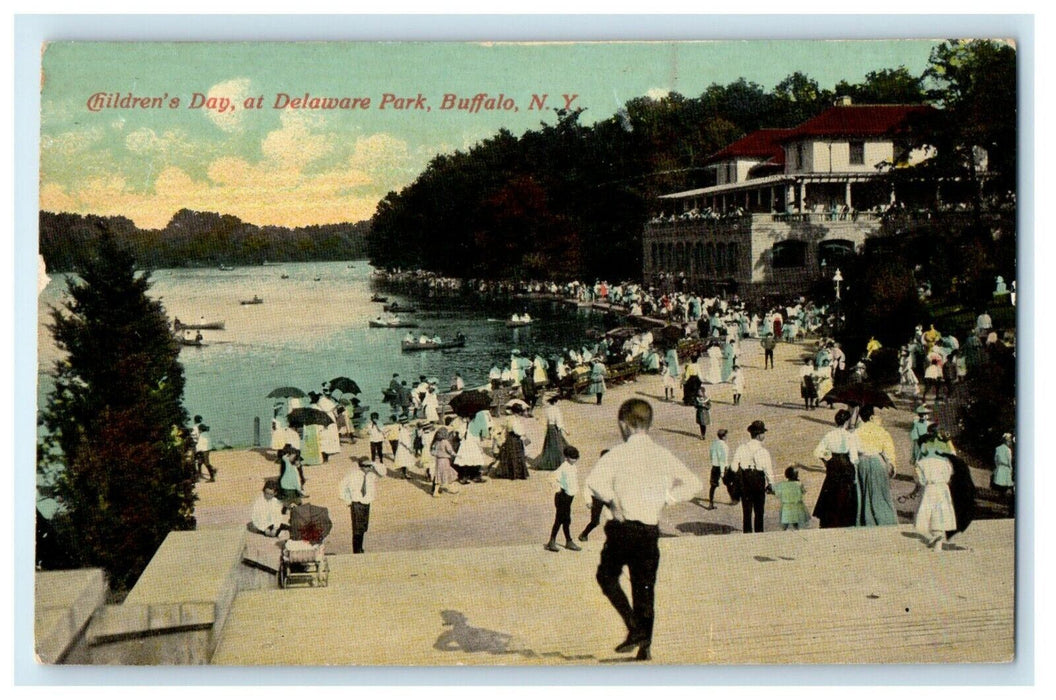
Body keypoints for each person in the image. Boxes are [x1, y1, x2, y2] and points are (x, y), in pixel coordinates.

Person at [584, 399, 702, 661]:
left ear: (623, 425)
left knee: (607, 576)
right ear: (648, 424)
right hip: (649, 531)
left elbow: (593, 483)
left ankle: (634, 627)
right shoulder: (662, 454)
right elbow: (694, 483)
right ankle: (644, 647)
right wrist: (668, 498)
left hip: (622, 529)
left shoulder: (617, 454)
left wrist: (612, 501)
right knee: (645, 588)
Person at [812, 409, 861, 528]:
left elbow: (817, 452)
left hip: (833, 464)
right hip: (845, 464)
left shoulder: (829, 435)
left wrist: (826, 460)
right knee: (845, 492)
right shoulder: (849, 436)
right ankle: (844, 519)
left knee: (831, 489)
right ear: (846, 422)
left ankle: (829, 519)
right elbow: (854, 457)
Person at [855, 405, 898, 527]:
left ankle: (866, 520)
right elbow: (889, 451)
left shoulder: (857, 432)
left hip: (862, 461)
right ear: (872, 416)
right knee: (881, 492)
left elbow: (853, 451)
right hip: (877, 461)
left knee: (864, 492)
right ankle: (885, 519)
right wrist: (891, 465)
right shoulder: (881, 431)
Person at [732, 420, 775, 533]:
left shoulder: (741, 448)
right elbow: (768, 470)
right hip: (758, 479)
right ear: (760, 435)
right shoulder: (763, 451)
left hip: (745, 479)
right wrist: (771, 483)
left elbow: (733, 467)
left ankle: (747, 533)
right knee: (759, 510)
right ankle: (759, 534)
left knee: (747, 510)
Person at [338, 457, 387, 553]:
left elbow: (383, 472)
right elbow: (342, 486)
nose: (369, 468)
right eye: (367, 466)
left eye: (370, 466)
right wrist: (347, 500)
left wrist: (373, 463)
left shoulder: (372, 474)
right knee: (357, 529)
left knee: (363, 528)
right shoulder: (353, 474)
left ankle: (360, 547)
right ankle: (356, 550)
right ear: (361, 467)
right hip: (356, 503)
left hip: (366, 502)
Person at [914, 452, 956, 550]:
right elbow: (949, 476)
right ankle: (938, 542)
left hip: (930, 488)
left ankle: (935, 536)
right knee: (941, 513)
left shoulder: (921, 462)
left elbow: (921, 480)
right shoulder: (945, 462)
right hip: (943, 488)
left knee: (929, 513)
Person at [545, 446, 583, 552]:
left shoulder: (573, 467)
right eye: (572, 458)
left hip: (569, 497)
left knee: (566, 520)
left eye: (576, 458)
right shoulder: (563, 467)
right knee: (560, 519)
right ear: (566, 457)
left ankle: (567, 541)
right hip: (562, 497)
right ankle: (553, 541)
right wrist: (558, 488)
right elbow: (551, 477)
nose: (574, 460)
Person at [577, 450, 610, 542]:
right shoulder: (597, 471)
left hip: (609, 498)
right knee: (595, 522)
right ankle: (584, 534)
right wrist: (588, 500)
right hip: (597, 498)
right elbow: (587, 485)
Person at [533, 395, 569, 471]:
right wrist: (565, 430)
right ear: (555, 402)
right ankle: (558, 462)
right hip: (555, 428)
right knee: (558, 445)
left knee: (549, 445)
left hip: (549, 428)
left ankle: (549, 462)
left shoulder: (547, 410)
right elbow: (559, 423)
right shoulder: (556, 410)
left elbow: (546, 421)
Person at [494, 405, 530, 480]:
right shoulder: (516, 420)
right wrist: (524, 435)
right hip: (515, 438)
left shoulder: (508, 418)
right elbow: (517, 430)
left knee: (510, 455)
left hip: (509, 438)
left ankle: (509, 472)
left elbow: (504, 428)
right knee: (517, 454)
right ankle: (517, 473)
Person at [430, 426, 459, 496]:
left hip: (438, 460)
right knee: (449, 475)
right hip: (445, 460)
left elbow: (432, 451)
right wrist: (456, 455)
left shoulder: (436, 442)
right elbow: (450, 451)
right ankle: (452, 489)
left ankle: (435, 492)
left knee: (438, 476)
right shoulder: (445, 442)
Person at [992, 433, 1015, 516]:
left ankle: (1000, 502)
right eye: (1009, 441)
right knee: (1007, 487)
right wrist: (1011, 469)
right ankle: (1003, 505)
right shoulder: (1008, 450)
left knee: (999, 487)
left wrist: (997, 467)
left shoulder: (998, 449)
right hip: (1005, 468)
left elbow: (996, 459)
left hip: (999, 468)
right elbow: (1009, 461)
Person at [708, 429, 730, 509]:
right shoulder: (724, 446)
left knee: (713, 486)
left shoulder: (714, 444)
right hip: (722, 467)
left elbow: (710, 454)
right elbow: (723, 459)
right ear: (724, 437)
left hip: (714, 466)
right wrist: (722, 471)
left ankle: (711, 503)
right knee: (728, 483)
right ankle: (733, 498)